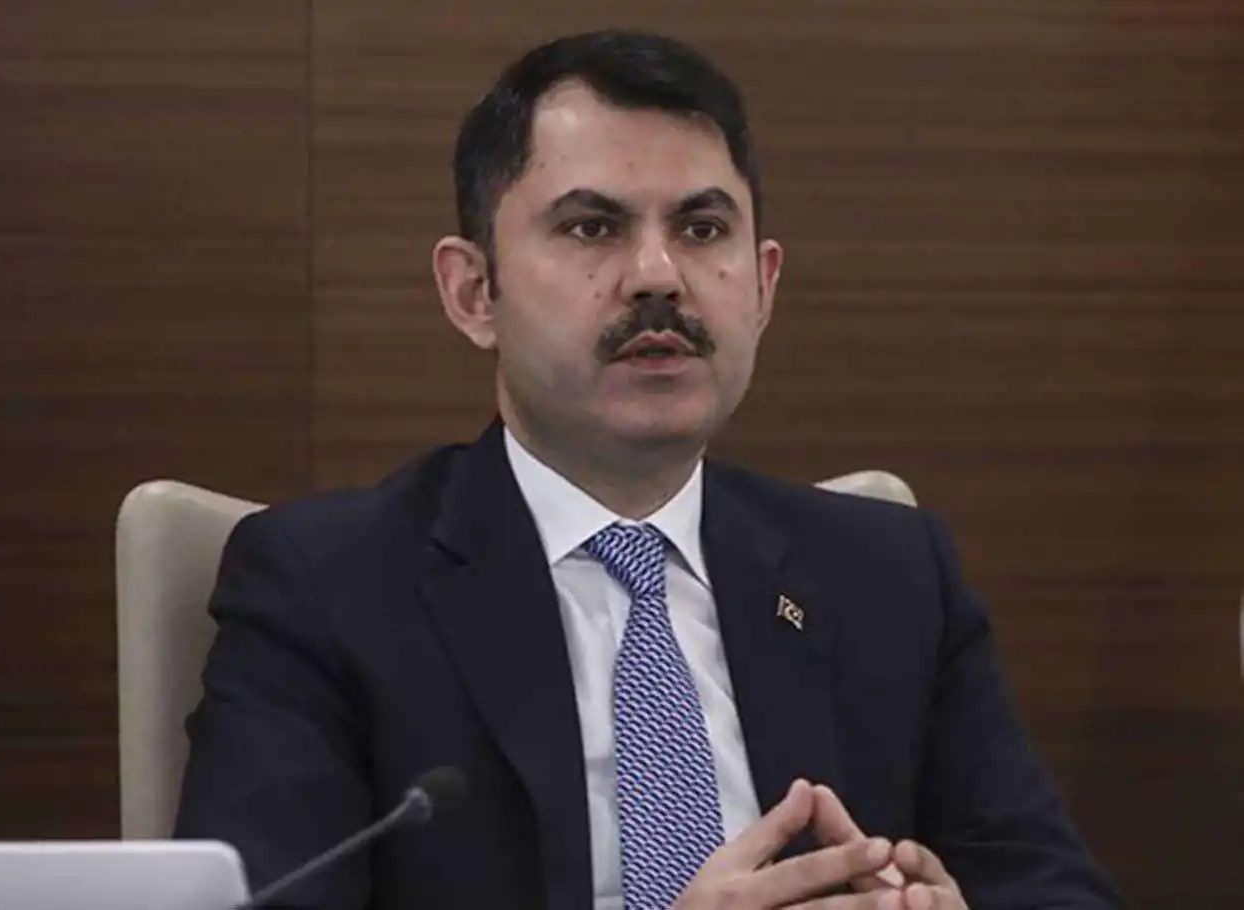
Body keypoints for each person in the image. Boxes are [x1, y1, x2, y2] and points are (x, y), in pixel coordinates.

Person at [175, 29, 1121, 910]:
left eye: (703, 229)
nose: (659, 275)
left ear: (764, 285)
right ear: (474, 292)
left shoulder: (891, 577)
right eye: (594, 228)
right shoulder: (326, 588)